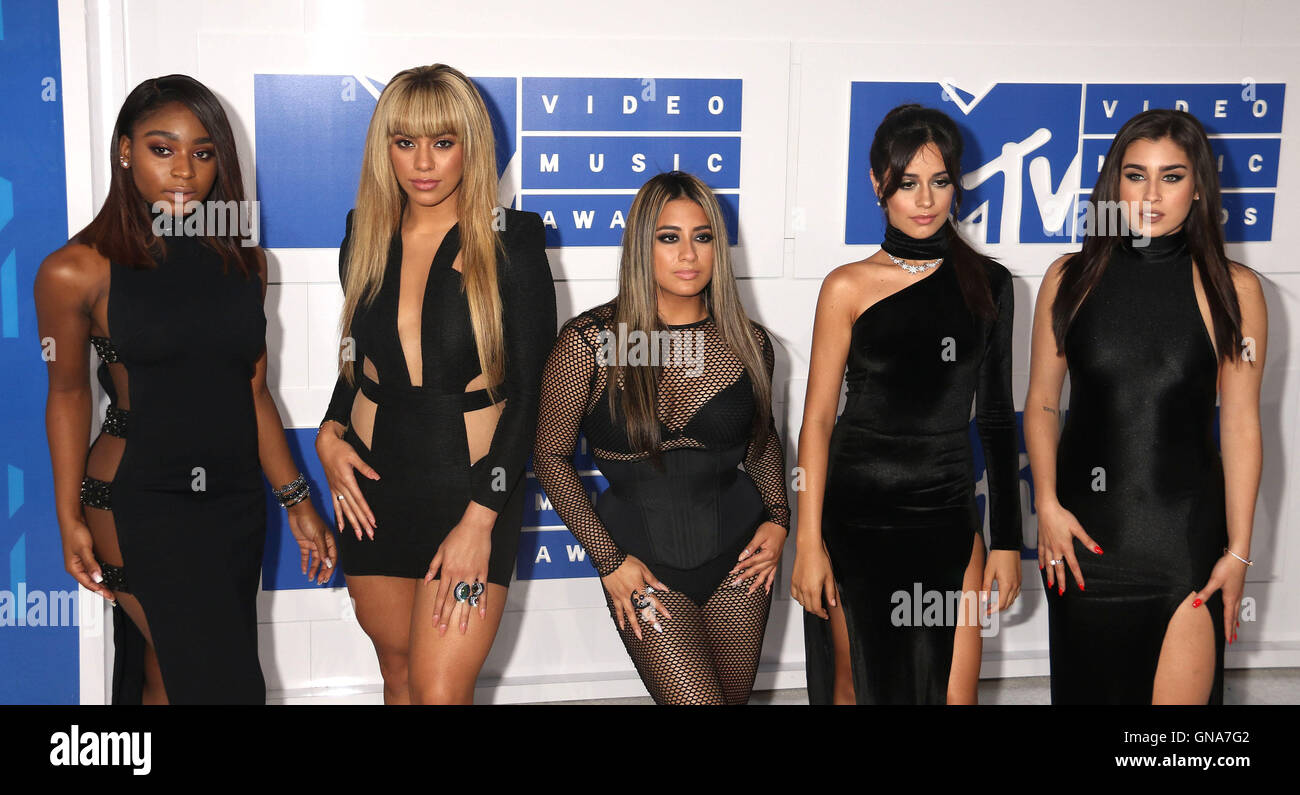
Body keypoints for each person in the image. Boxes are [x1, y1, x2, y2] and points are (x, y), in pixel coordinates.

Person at [35, 74, 335, 704]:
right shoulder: (75, 269)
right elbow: (67, 395)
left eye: (202, 153)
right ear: (125, 150)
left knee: (169, 674)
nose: (184, 171)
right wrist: (67, 517)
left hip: (231, 503)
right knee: (221, 687)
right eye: (161, 148)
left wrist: (295, 499)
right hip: (137, 500)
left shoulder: (244, 264)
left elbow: (252, 393)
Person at [316, 64, 556, 704]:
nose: (423, 162)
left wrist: (481, 519)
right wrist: (329, 430)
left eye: (443, 142)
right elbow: (360, 359)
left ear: (472, 147)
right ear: (383, 148)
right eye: (405, 142)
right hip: (372, 490)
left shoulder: (514, 241)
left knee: (441, 691)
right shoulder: (361, 235)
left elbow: (533, 392)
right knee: (397, 675)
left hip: (470, 490)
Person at [1025, 108, 1266, 704]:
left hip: (1184, 550)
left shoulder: (1235, 289)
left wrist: (1238, 550)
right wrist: (1047, 505)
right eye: (1136, 176)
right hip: (1084, 546)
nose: (1152, 195)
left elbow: (1240, 424)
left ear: (1200, 188)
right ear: (1114, 184)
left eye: (1172, 176)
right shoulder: (1070, 277)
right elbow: (1040, 404)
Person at [791, 104, 1022, 704]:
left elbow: (997, 420)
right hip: (856, 514)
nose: (925, 200)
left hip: (946, 513)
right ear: (878, 185)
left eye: (940, 182)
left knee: (954, 695)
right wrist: (808, 544)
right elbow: (816, 422)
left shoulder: (989, 284)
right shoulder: (847, 286)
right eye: (907, 183)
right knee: (857, 686)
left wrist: (1005, 541)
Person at [532, 171, 790, 705]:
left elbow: (762, 444)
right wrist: (609, 562)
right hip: (640, 567)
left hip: (741, 560)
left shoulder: (749, 343)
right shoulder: (589, 343)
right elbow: (551, 456)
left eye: (703, 236)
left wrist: (780, 519)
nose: (688, 254)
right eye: (669, 237)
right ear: (640, 244)